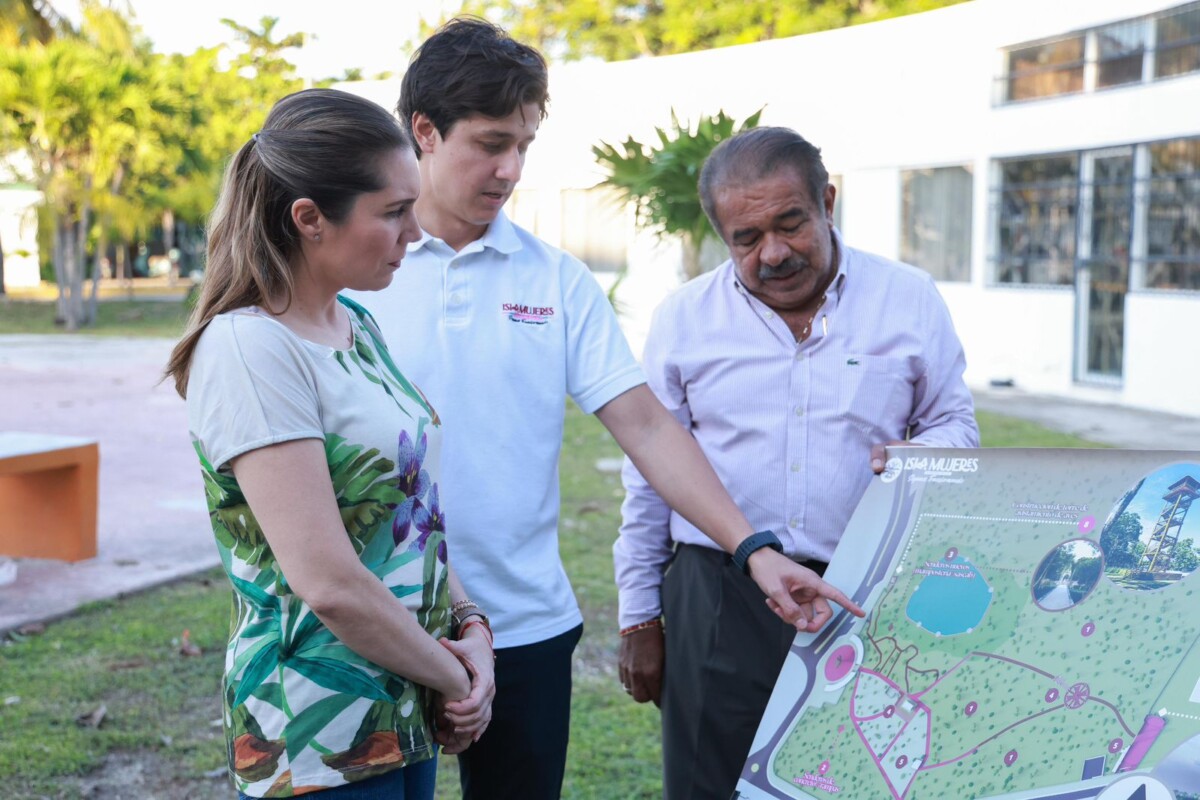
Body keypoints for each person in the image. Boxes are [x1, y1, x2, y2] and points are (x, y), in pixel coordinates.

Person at [344, 19, 862, 800]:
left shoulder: (556, 279)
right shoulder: (355, 269)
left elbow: (647, 427)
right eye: (491, 144)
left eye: (524, 145)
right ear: (424, 130)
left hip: (524, 625)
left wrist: (754, 550)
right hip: (379, 618)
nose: (511, 169)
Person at [613, 126, 981, 800]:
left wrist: (924, 457)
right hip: (719, 596)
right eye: (747, 239)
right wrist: (639, 618)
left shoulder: (908, 298)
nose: (774, 253)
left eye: (790, 224)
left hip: (866, 593)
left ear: (826, 203)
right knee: (709, 785)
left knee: (856, 781)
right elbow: (649, 475)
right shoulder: (684, 319)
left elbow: (954, 423)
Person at [164, 88, 496, 800]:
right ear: (309, 219)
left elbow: (414, 512)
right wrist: (455, 675)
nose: (414, 232)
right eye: (393, 212)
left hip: (402, 706)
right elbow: (328, 584)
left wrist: (473, 628)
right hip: (316, 733)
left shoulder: (355, 326)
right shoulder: (251, 348)